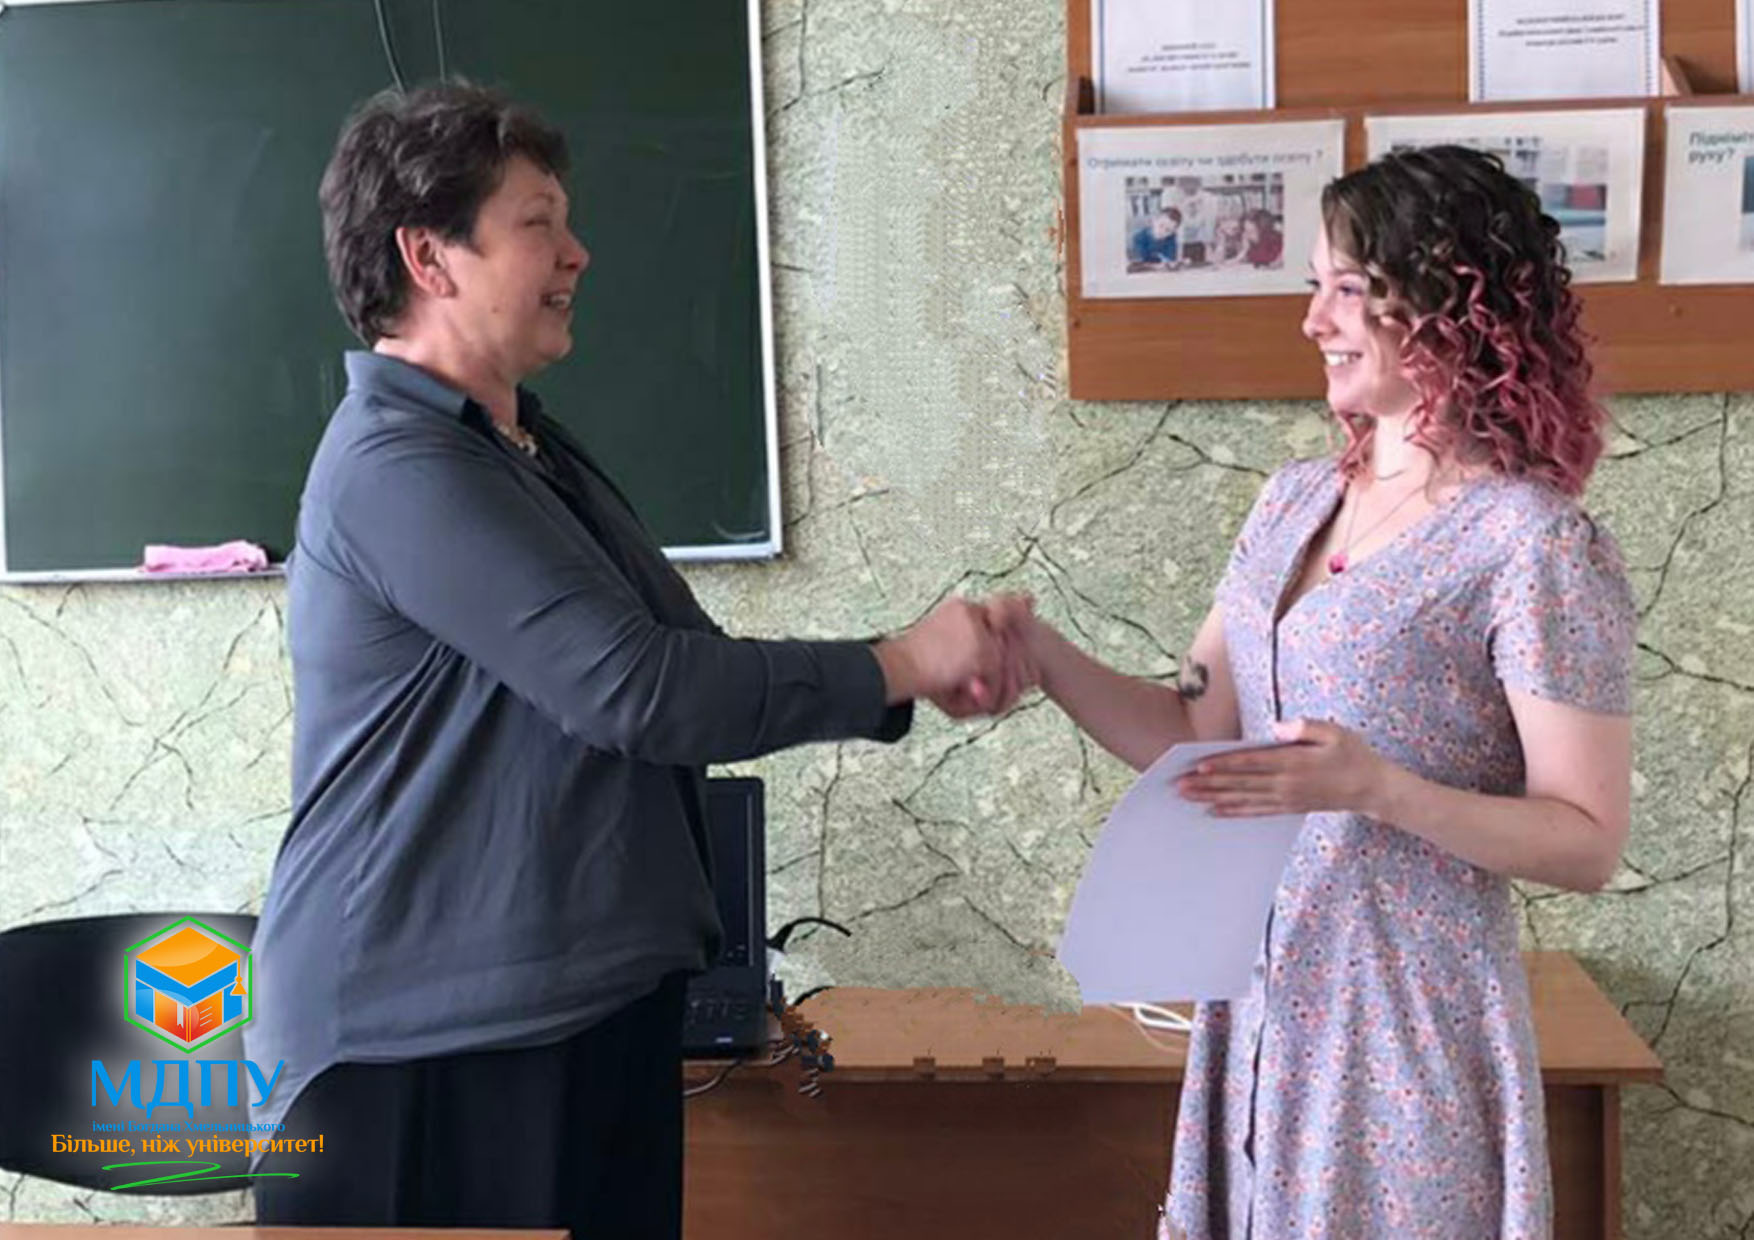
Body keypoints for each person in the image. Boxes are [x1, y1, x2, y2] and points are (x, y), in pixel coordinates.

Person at [246, 82, 1019, 1239]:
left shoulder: (529, 448)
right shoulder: (396, 465)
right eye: (537, 224)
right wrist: (900, 661)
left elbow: (684, 663)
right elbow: (638, 691)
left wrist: (902, 672)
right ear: (428, 256)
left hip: (583, 1008)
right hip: (424, 1054)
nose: (578, 254)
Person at [991, 144, 1635, 1238]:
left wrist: (1378, 789)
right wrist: (1042, 656)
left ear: (1447, 304)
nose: (1312, 320)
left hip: (1407, 1030)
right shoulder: (1291, 503)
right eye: (1313, 287)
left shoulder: (1533, 544)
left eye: (1345, 287)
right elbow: (1195, 728)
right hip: (1258, 1008)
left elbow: (1586, 841)